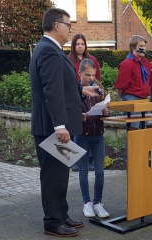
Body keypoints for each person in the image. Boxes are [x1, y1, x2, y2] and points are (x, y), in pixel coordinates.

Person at [29, 8, 98, 237]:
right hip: (52, 127)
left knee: (61, 173)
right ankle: (52, 222)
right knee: (52, 176)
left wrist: (81, 89)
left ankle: (61, 214)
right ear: (57, 25)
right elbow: (52, 90)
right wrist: (60, 125)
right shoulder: (48, 50)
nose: (70, 29)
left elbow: (63, 84)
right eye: (69, 25)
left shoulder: (52, 49)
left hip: (56, 126)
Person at [74, 58, 110, 218]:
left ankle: (98, 202)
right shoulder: (75, 90)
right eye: (87, 75)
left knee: (100, 172)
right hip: (82, 135)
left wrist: (105, 112)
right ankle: (87, 203)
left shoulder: (98, 88)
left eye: (93, 75)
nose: (91, 78)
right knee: (83, 170)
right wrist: (78, 116)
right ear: (79, 73)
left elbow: (103, 107)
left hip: (98, 136)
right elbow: (69, 111)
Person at [114, 35, 151, 163]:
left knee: (143, 129)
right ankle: (130, 159)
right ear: (133, 48)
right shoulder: (127, 64)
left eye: (145, 46)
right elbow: (120, 87)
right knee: (133, 131)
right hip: (131, 98)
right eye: (141, 47)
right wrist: (126, 100)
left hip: (144, 100)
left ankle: (141, 157)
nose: (144, 49)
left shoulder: (145, 62)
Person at [68, 33, 101, 172]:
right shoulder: (69, 60)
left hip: (91, 96)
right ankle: (74, 160)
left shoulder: (91, 60)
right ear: (73, 46)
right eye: (77, 44)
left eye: (82, 44)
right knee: (75, 127)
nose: (80, 47)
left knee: (91, 124)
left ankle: (90, 159)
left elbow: (97, 78)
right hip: (75, 95)